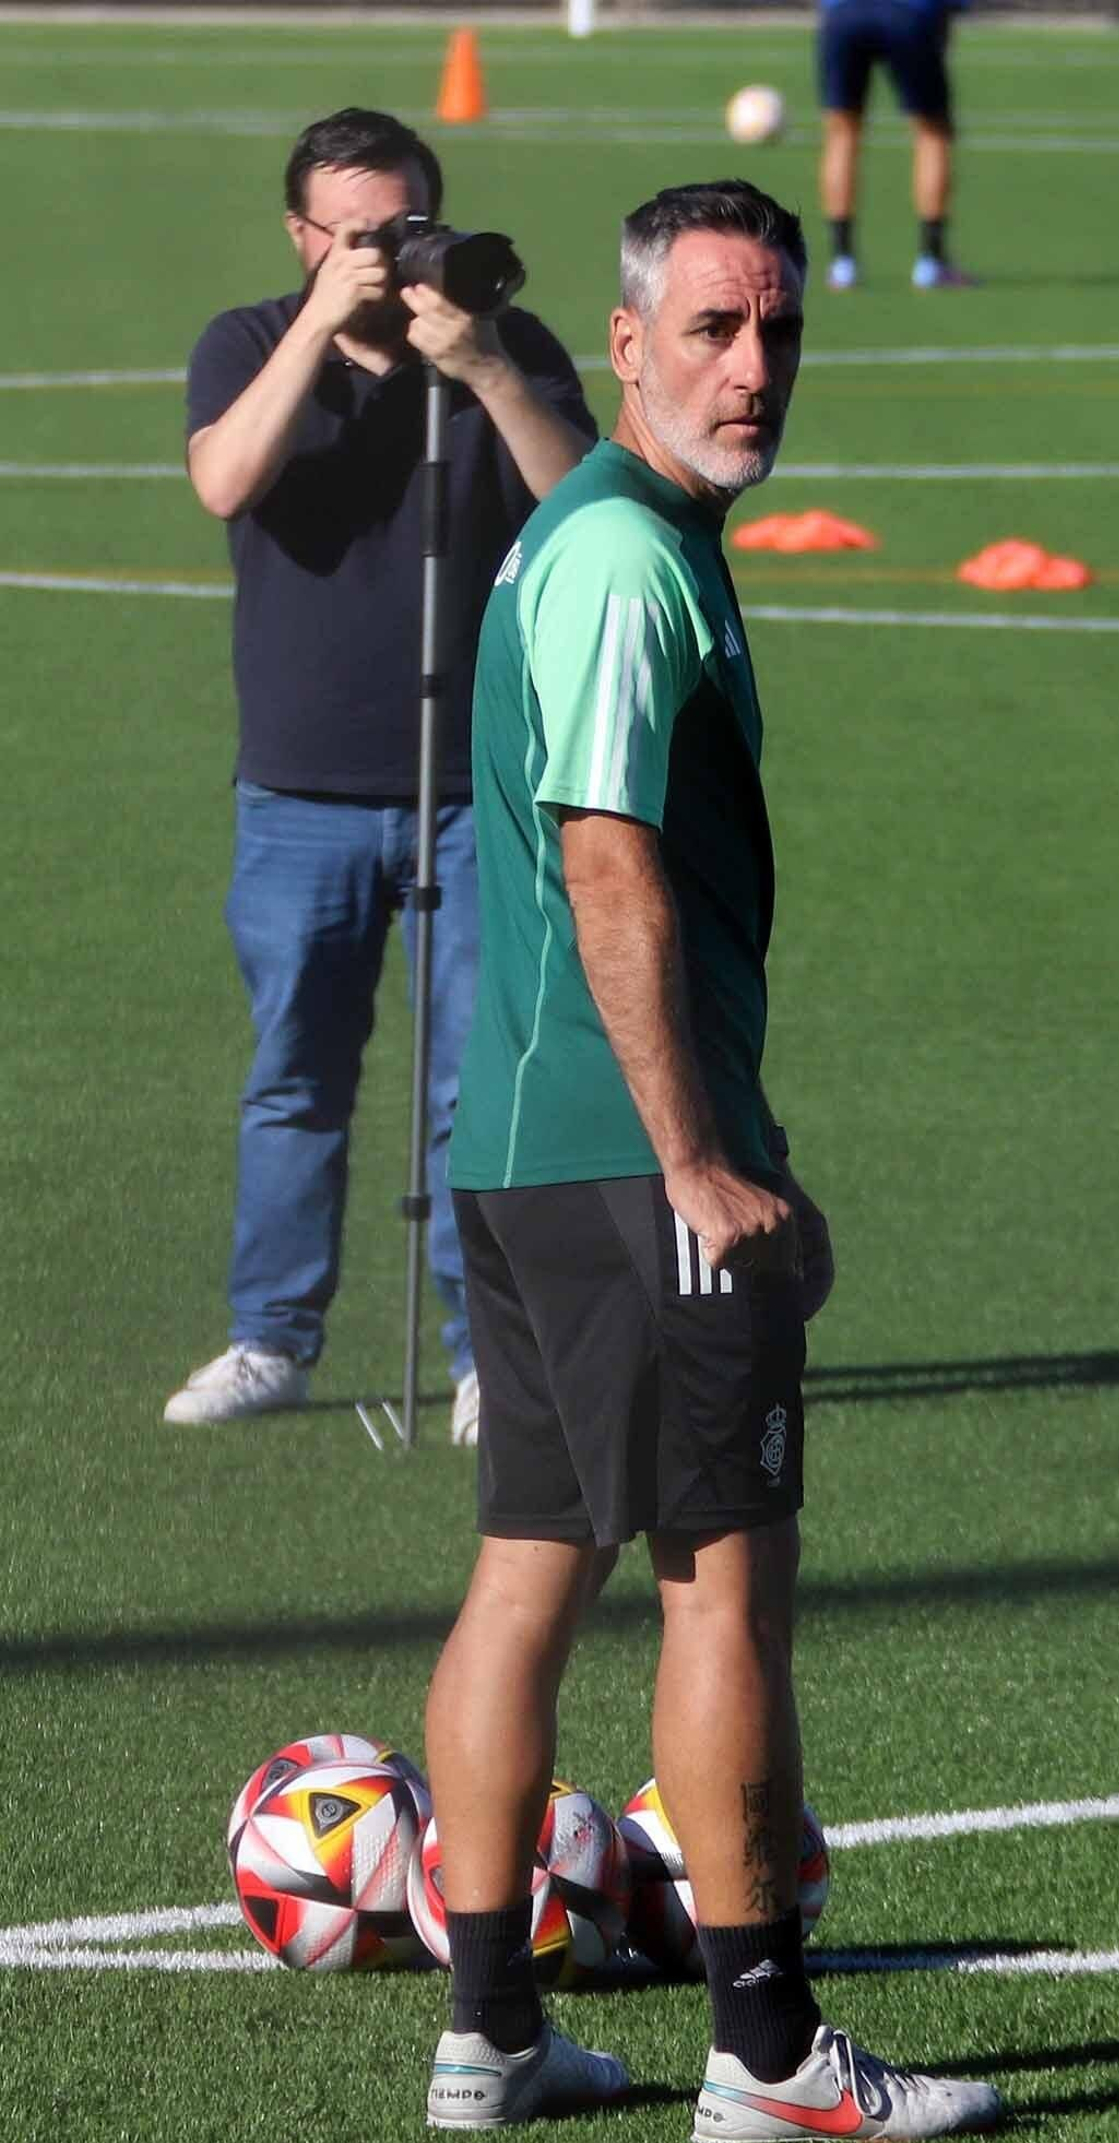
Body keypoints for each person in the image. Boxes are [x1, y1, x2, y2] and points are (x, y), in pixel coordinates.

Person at [422, 178, 1003, 2143]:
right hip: (626, 1159)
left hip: (521, 1148)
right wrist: (696, 1154)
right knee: (720, 1592)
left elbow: (565, 461)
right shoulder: (622, 559)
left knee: (525, 1573)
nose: (755, 368)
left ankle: (490, 2034)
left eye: (780, 331)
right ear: (635, 337)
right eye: (715, 330)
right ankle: (763, 2049)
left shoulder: (598, 522)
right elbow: (609, 862)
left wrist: (485, 357)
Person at [166, 107, 597, 1441]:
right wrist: (318, 326)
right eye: (348, 233)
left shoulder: (504, 345)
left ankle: (488, 1354)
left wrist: (487, 372)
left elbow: (587, 512)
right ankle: (270, 1337)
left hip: (472, 788)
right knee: (296, 1076)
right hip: (299, 794)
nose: (378, 254)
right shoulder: (248, 342)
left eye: (400, 227)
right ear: (300, 235)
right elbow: (224, 480)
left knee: (478, 1083)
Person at [816, 0, 976, 290]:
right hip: (908, 14)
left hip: (843, 14)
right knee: (932, 133)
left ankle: (842, 264)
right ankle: (931, 262)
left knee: (841, 133)